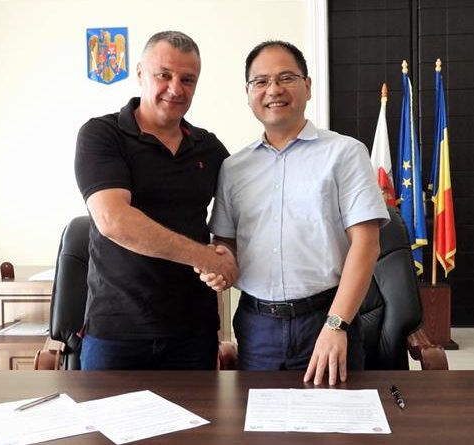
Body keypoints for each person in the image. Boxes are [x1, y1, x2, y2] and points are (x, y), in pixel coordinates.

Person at [202, 41, 389, 385]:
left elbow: (366, 244)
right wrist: (219, 261)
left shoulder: (345, 153)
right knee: (259, 417)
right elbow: (226, 241)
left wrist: (336, 325)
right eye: (261, 81)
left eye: (286, 78)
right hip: (256, 326)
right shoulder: (233, 168)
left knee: (334, 417)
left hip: (325, 319)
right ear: (248, 93)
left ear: (308, 86)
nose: (274, 90)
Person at [74, 31, 237, 371]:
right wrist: (204, 256)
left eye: (187, 79)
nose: (175, 89)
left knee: (199, 411)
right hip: (117, 333)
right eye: (164, 75)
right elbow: (113, 220)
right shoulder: (102, 134)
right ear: (140, 74)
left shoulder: (209, 148)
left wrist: (226, 255)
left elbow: (234, 218)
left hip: (194, 332)